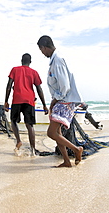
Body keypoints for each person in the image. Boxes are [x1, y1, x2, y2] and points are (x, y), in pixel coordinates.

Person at [37, 35, 84, 167]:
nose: (42, 53)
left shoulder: (57, 60)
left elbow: (65, 86)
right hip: (61, 99)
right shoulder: (55, 60)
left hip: (64, 100)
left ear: (44, 47)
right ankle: (67, 161)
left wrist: (54, 101)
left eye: (41, 50)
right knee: (57, 133)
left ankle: (76, 149)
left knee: (51, 133)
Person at [4, 53, 49, 155]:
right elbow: (39, 89)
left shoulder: (15, 70)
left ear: (21, 60)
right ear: (30, 62)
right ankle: (33, 150)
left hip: (17, 100)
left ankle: (19, 141)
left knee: (13, 121)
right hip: (29, 101)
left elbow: (9, 86)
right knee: (30, 125)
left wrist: (6, 101)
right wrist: (44, 105)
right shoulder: (34, 72)